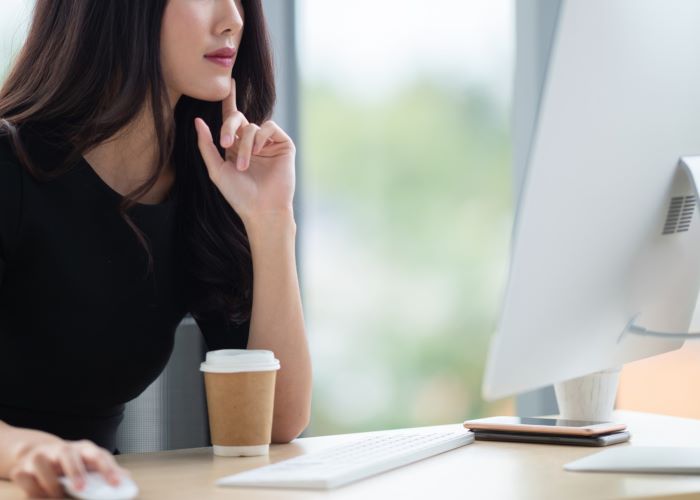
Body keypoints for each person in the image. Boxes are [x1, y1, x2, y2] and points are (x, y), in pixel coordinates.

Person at [0, 0, 312, 497]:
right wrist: (22, 454)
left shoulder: (205, 182)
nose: (233, 18)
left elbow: (277, 419)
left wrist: (271, 219)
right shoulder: (9, 163)